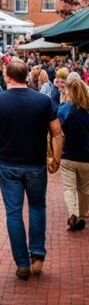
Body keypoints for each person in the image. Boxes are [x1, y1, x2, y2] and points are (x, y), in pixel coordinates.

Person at [0, 60, 63, 280]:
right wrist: (56, 158)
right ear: (26, 75)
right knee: (37, 207)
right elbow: (57, 133)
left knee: (14, 213)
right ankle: (37, 254)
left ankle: (22, 262)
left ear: (7, 77)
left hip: (8, 165)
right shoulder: (43, 100)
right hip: (36, 164)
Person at [59, 77, 89, 231]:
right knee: (85, 189)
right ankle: (83, 215)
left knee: (69, 188)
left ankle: (73, 213)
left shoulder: (64, 109)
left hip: (68, 156)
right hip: (86, 157)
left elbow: (57, 132)